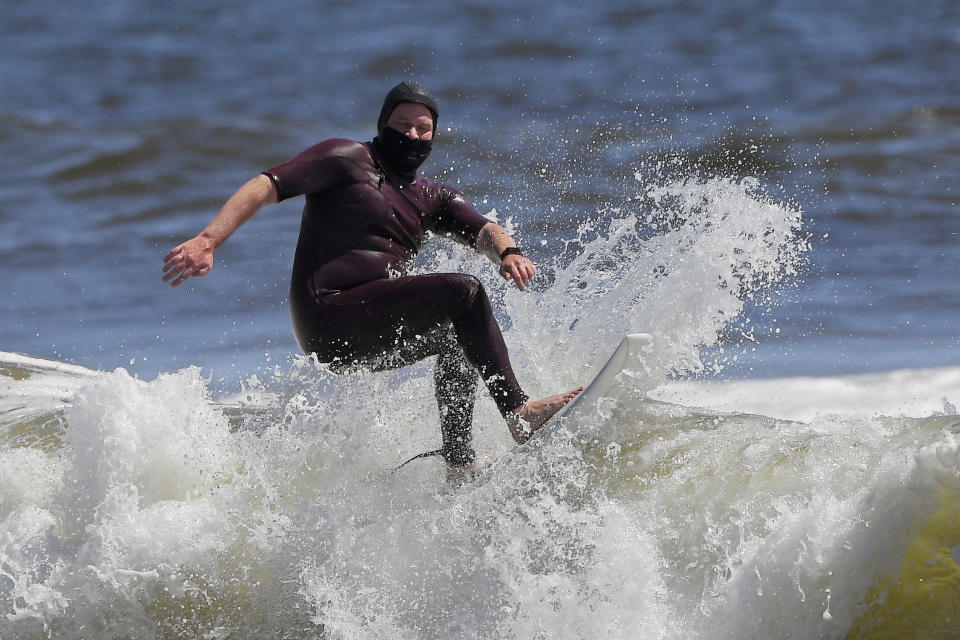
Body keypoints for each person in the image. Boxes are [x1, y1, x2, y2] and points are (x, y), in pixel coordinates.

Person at [163, 81, 580, 476]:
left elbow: (484, 228)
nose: (413, 136)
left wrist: (508, 252)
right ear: (384, 125)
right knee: (463, 292)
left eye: (424, 129)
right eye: (403, 126)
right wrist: (208, 239)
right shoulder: (344, 159)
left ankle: (459, 464)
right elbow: (265, 185)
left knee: (460, 339)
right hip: (328, 315)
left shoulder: (433, 198)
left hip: (366, 334)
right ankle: (518, 413)